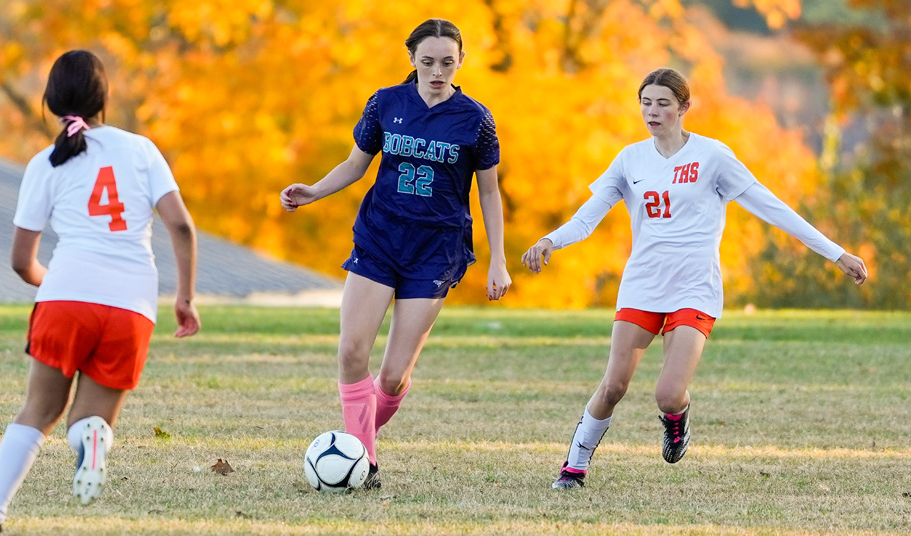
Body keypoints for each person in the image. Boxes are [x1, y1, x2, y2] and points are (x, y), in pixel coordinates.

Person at [522, 67, 868, 490]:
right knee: (613, 386)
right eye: (646, 102)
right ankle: (573, 468)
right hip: (643, 286)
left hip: (694, 289)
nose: (652, 111)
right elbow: (587, 218)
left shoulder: (713, 156)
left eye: (663, 103)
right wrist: (549, 241)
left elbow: (770, 206)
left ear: (684, 107)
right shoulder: (630, 159)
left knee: (668, 394)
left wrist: (836, 253)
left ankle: (676, 419)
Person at [0, 50, 200, 535]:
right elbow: (180, 226)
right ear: (104, 98)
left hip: (66, 294)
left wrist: (50, 283)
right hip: (131, 305)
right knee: (89, 421)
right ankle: (92, 439)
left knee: (38, 412)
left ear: (50, 102)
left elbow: (20, 260)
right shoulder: (141, 150)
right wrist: (185, 297)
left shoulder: (46, 163)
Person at [280, 18, 511, 489]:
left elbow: (489, 193)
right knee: (350, 352)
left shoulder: (476, 119)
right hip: (380, 238)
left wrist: (499, 259)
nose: (437, 72)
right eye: (427, 62)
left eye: (448, 63)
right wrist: (313, 191)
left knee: (391, 379)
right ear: (411, 60)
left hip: (436, 250)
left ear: (461, 61)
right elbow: (355, 164)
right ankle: (365, 462)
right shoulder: (386, 103)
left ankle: (355, 447)